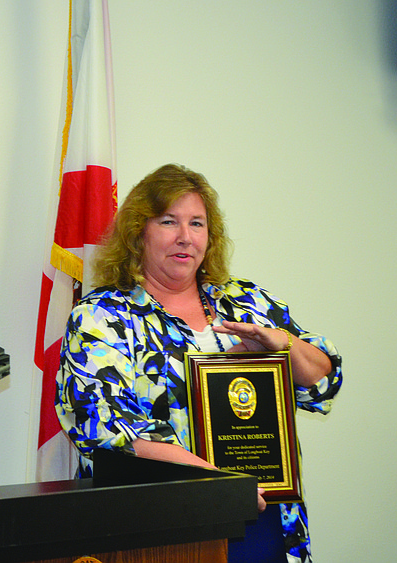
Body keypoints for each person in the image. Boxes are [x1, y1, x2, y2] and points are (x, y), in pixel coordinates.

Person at [55, 164, 342, 563]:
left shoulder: (248, 302)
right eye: (168, 221)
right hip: (160, 526)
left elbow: (323, 382)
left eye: (197, 223)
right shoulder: (102, 317)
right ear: (139, 232)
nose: (185, 237)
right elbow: (104, 427)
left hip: (265, 519)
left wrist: (283, 343)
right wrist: (221, 483)